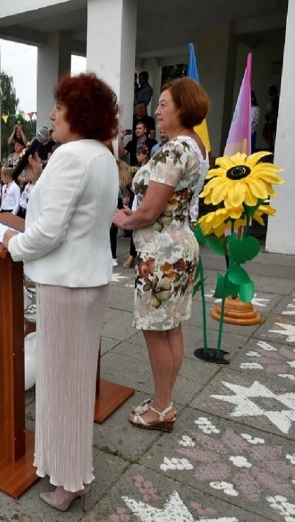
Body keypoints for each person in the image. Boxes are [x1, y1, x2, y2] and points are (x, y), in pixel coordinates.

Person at [2, 72, 119, 512]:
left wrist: (13, 246)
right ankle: (67, 467)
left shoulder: (72, 155)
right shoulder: (101, 155)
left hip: (67, 284)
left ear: (79, 113)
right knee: (73, 380)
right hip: (86, 280)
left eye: (59, 107)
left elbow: (49, 231)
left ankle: (68, 481)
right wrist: (38, 181)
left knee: (63, 385)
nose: (51, 115)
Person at [112, 77, 209, 434]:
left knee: (156, 331)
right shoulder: (197, 147)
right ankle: (164, 401)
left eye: (164, 103)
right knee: (172, 329)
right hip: (182, 245)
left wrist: (125, 219)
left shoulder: (174, 150)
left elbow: (150, 211)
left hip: (162, 253)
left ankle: (162, 407)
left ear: (182, 108)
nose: (156, 109)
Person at [263, 85, 278, 152]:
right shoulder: (272, 99)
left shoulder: (276, 100)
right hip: (270, 120)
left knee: (269, 134)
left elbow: (274, 109)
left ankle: (271, 148)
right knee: (266, 133)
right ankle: (271, 146)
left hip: (272, 120)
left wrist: (269, 114)